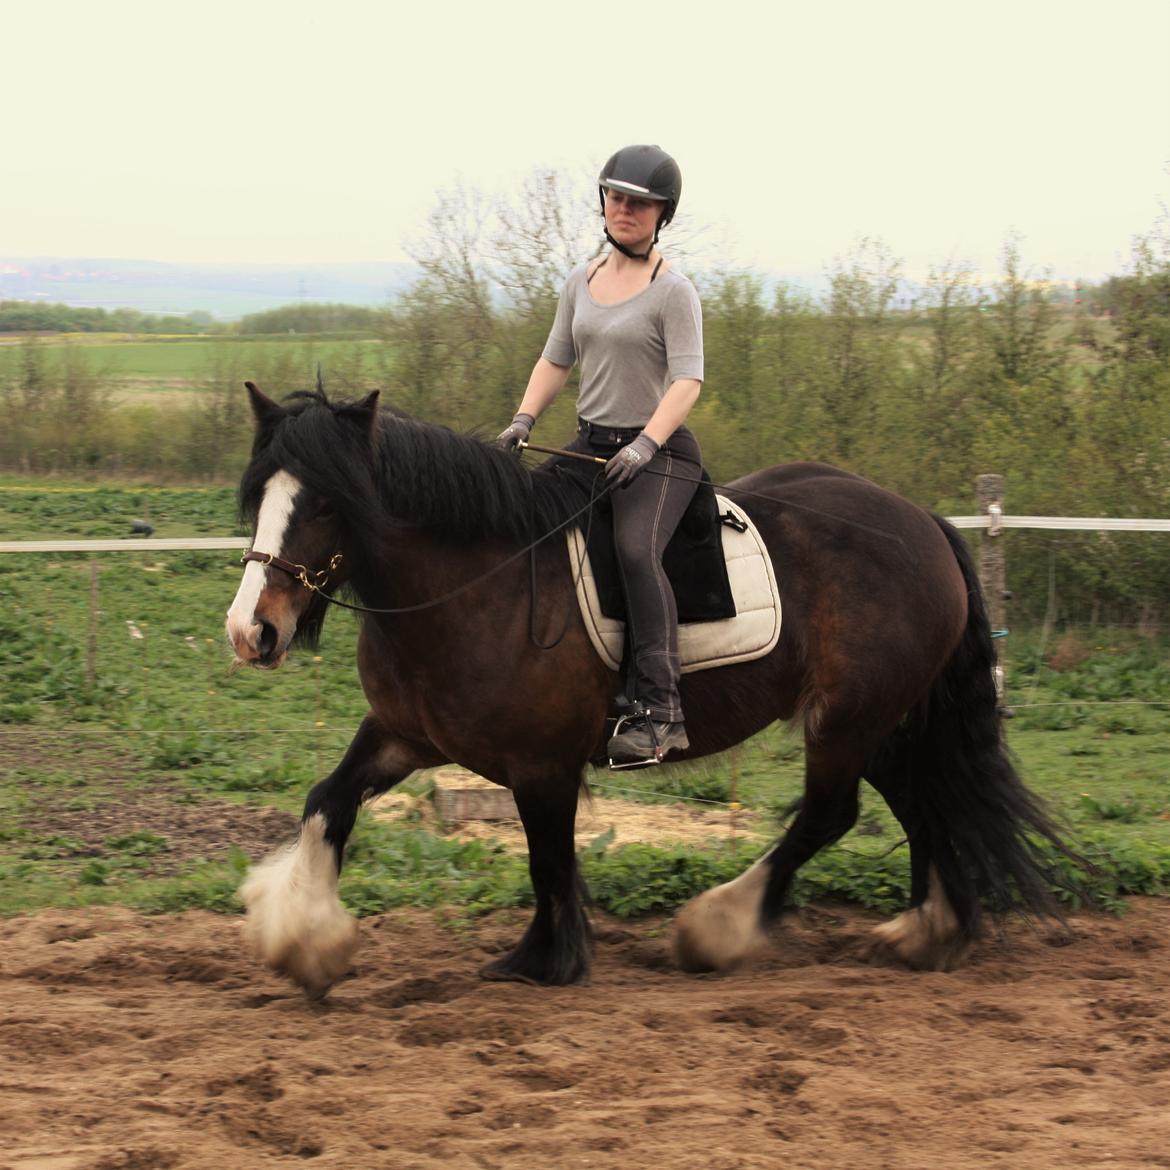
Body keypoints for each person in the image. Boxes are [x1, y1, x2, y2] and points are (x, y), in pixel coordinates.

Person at [498, 144, 704, 766]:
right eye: (616, 197)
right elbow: (555, 359)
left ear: (662, 214)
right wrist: (523, 419)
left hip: (659, 453)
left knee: (636, 552)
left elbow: (687, 382)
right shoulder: (579, 282)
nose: (624, 209)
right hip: (590, 445)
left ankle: (661, 713)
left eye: (640, 203)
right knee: (518, 523)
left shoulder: (673, 292)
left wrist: (645, 444)